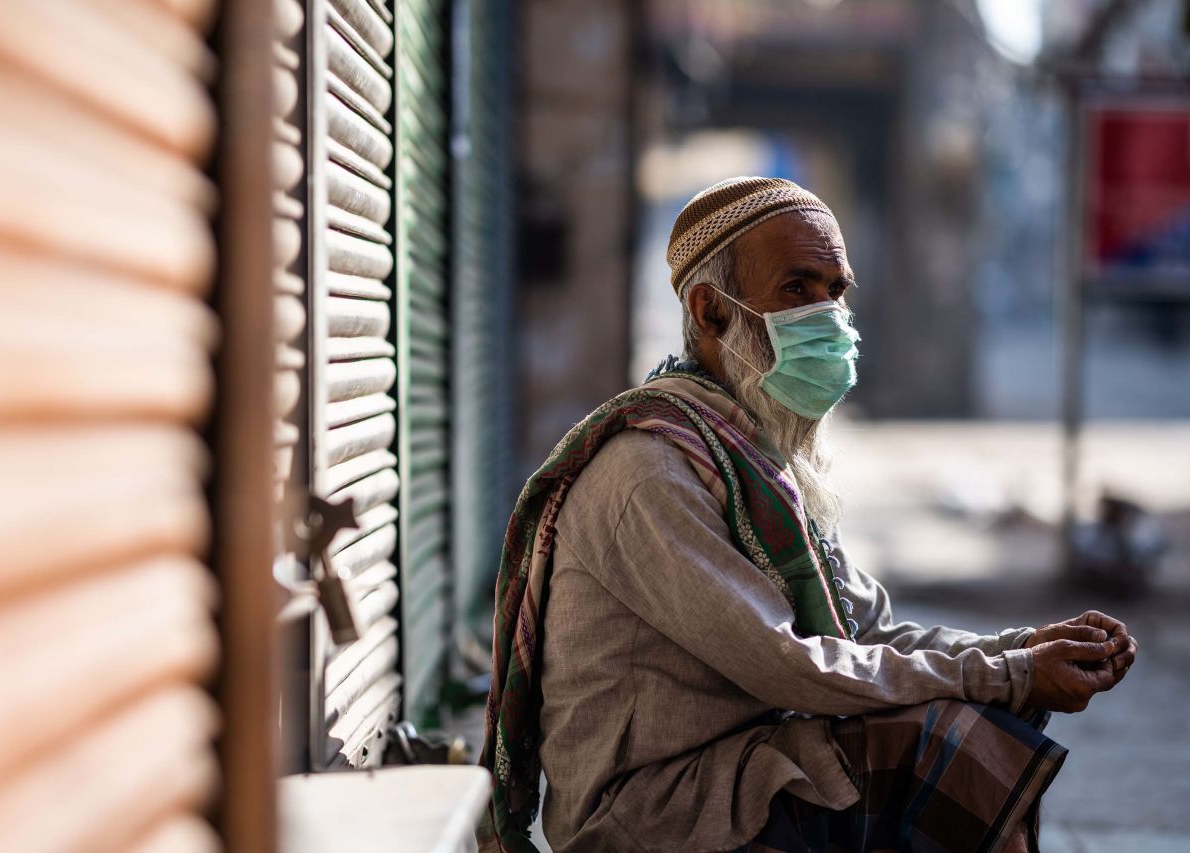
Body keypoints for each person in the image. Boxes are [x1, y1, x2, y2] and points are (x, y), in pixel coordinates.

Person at [477, 177, 1138, 853]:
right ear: (710, 312)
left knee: (957, 724)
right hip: (655, 811)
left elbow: (869, 630)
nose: (826, 314)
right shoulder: (651, 470)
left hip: (742, 764)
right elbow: (793, 665)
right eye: (796, 289)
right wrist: (1014, 675)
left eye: (836, 290)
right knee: (948, 739)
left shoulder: (753, 458)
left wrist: (1023, 648)